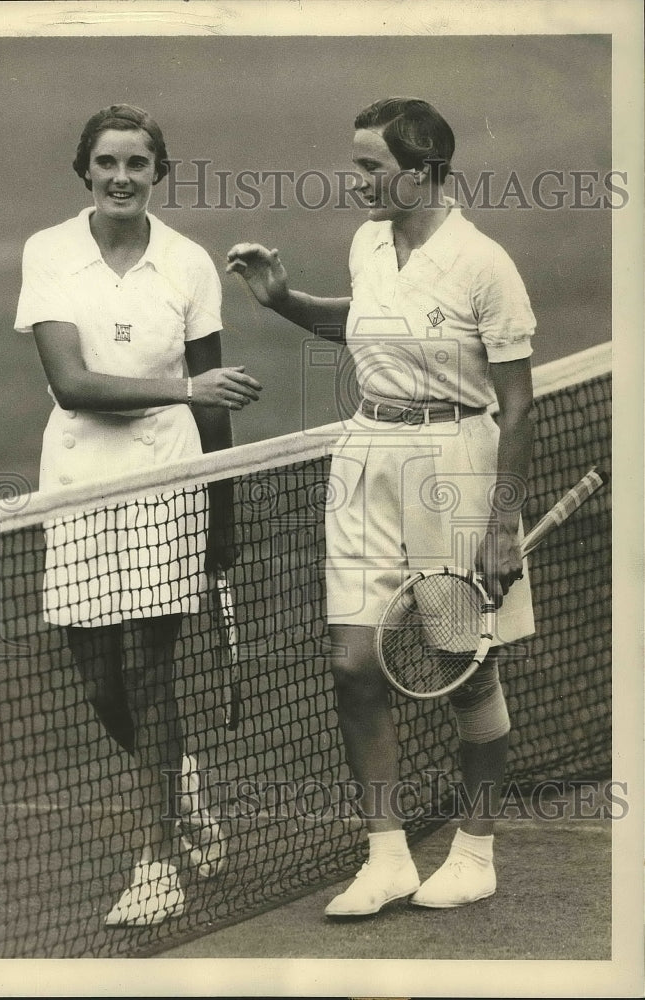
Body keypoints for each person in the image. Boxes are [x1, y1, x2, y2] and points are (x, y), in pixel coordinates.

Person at [226, 97, 535, 917]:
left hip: (455, 469)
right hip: (365, 458)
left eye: (372, 166)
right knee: (353, 666)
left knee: (463, 668)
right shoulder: (369, 242)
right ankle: (388, 856)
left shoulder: (483, 263)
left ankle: (474, 849)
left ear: (425, 170)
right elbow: (361, 323)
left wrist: (502, 523)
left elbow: (519, 402)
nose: (356, 180)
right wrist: (286, 301)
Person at [14, 104, 262, 927]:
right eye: (109, 162)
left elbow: (216, 401)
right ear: (84, 169)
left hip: (168, 475)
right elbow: (72, 384)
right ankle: (184, 783)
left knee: (154, 675)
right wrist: (187, 391)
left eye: (139, 163)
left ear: (160, 172)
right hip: (80, 475)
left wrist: (221, 511)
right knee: (98, 677)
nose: (123, 177)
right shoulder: (48, 252)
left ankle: (157, 860)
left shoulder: (190, 265)